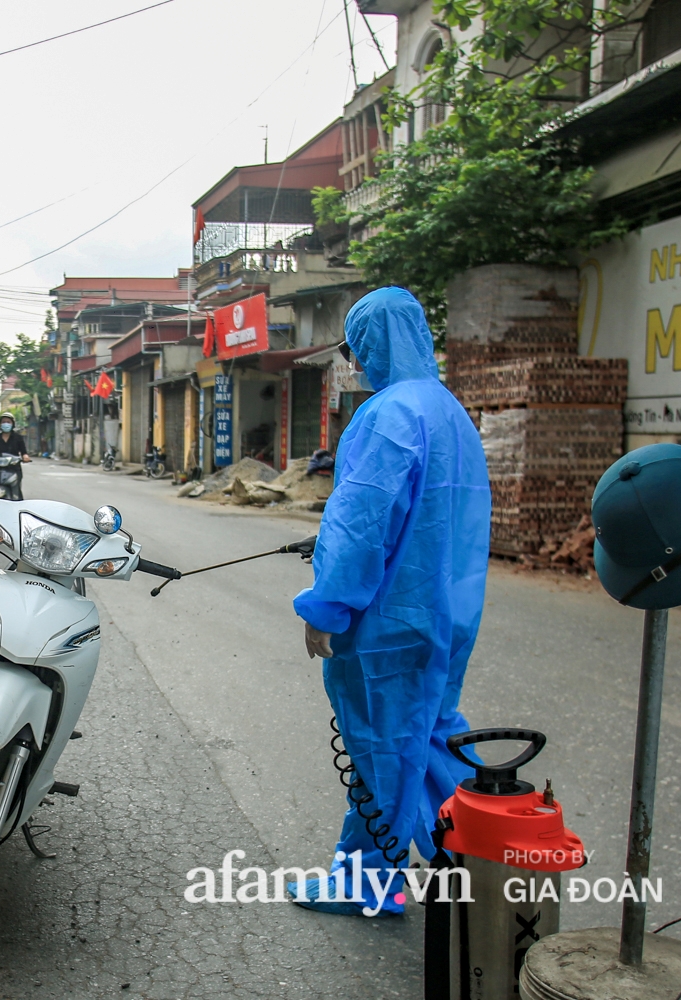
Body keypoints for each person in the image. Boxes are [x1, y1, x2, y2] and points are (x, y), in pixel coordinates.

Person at [288, 287, 490, 916]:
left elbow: (360, 525)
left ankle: (370, 884)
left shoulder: (385, 415)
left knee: (382, 750)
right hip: (450, 614)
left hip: (388, 622)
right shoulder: (451, 413)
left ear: (371, 342)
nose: (353, 360)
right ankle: (493, 856)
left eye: (352, 346)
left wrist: (327, 608)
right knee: (429, 737)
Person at [0, 410, 31, 499]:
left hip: (14, 468)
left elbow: (23, 452)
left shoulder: (18, 438)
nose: (6, 424)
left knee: (16, 489)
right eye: (3, 422)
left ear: (12, 424)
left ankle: (17, 503)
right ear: (0, 424)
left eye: (8, 422)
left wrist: (25, 457)